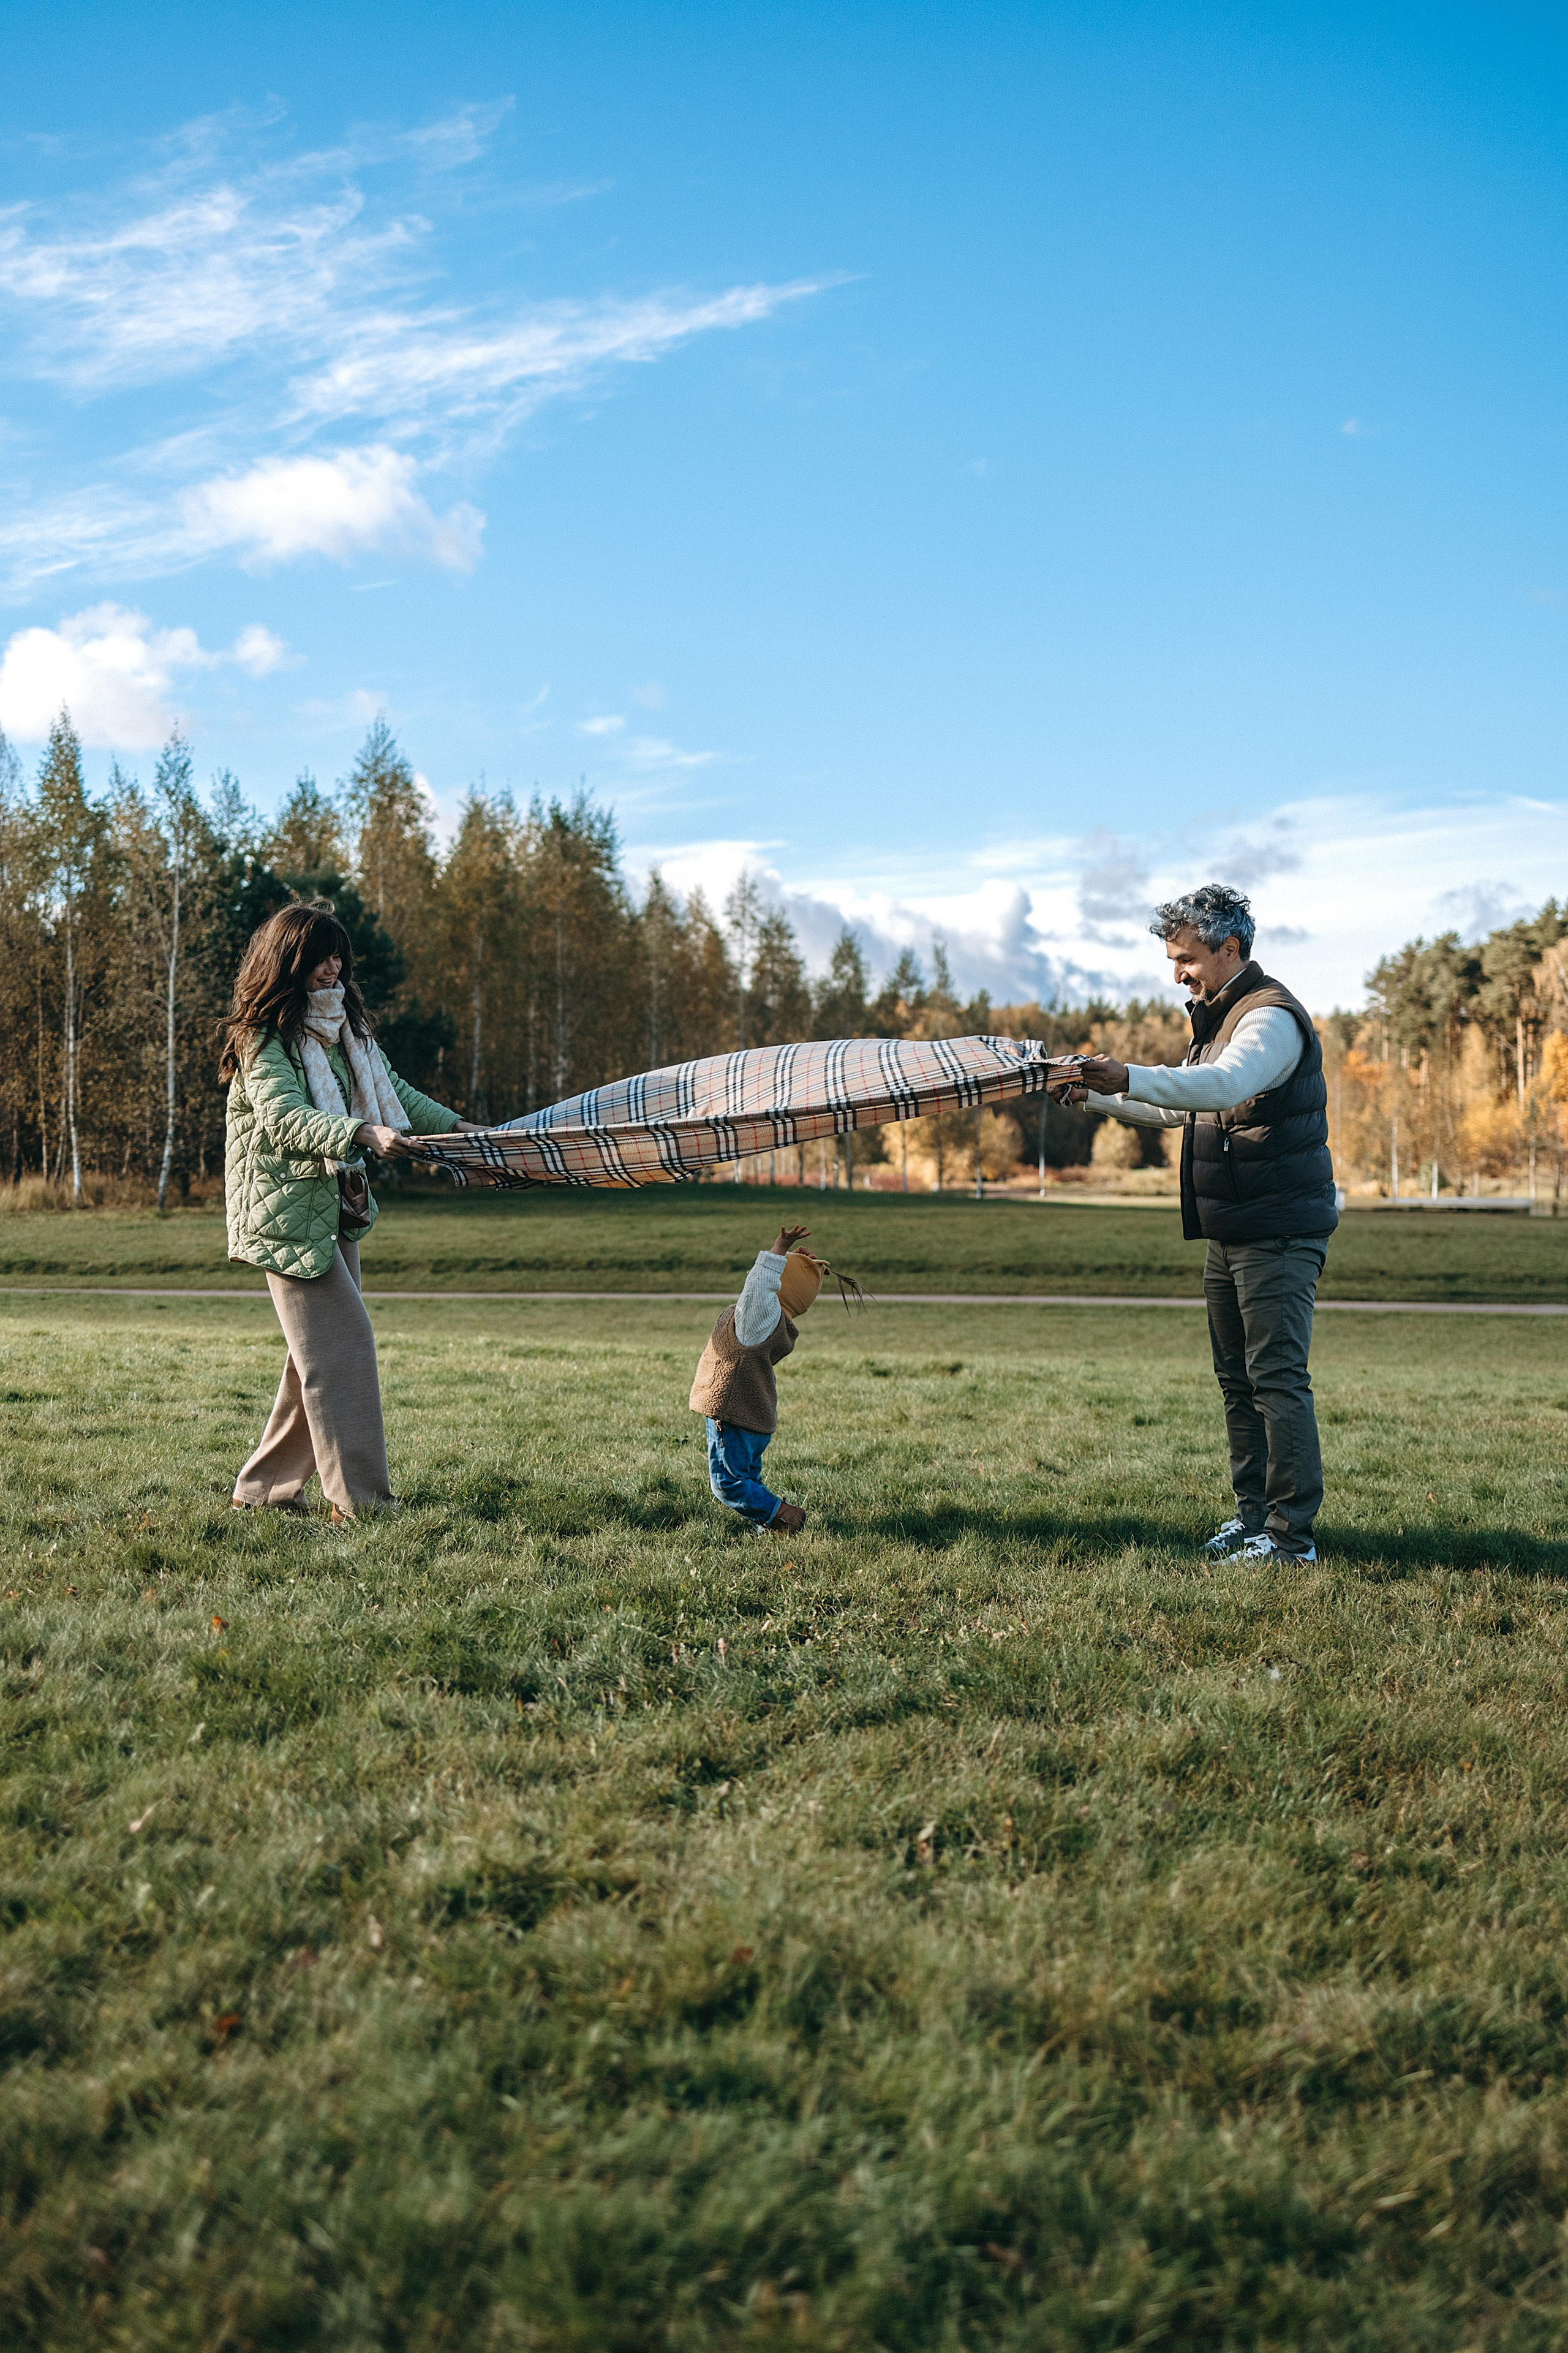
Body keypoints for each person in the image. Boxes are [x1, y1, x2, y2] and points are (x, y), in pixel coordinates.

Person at [1052, 883, 1338, 1565]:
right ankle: (1252, 1519)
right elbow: (1183, 1110)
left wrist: (1127, 1071)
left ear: (1229, 947)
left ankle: (1290, 1539)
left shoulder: (1267, 1018)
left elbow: (1222, 1087)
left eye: (1185, 958)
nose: (1176, 972)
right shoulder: (1216, 1018)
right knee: (1237, 1381)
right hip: (1232, 1227)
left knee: (1275, 1380)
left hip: (1277, 1229)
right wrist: (1100, 1097)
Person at [221, 902, 475, 1520]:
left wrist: (465, 1132)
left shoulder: (345, 1031)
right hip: (283, 1215)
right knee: (344, 1350)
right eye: (321, 956)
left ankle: (265, 1493)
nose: (333, 967)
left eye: (339, 956)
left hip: (333, 1206)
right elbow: (284, 1119)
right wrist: (362, 1133)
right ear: (290, 962)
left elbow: (401, 1093)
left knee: (315, 1359)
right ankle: (362, 1504)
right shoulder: (264, 1039)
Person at [689, 1222, 829, 1535]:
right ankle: (770, 1525)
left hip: (734, 1414)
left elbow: (758, 1283)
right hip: (752, 1418)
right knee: (748, 1479)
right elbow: (761, 1286)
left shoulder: (759, 1318)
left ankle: (784, 1516)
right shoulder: (771, 1321)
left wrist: (779, 1251)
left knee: (727, 1483)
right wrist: (795, 1264)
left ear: (776, 1287)